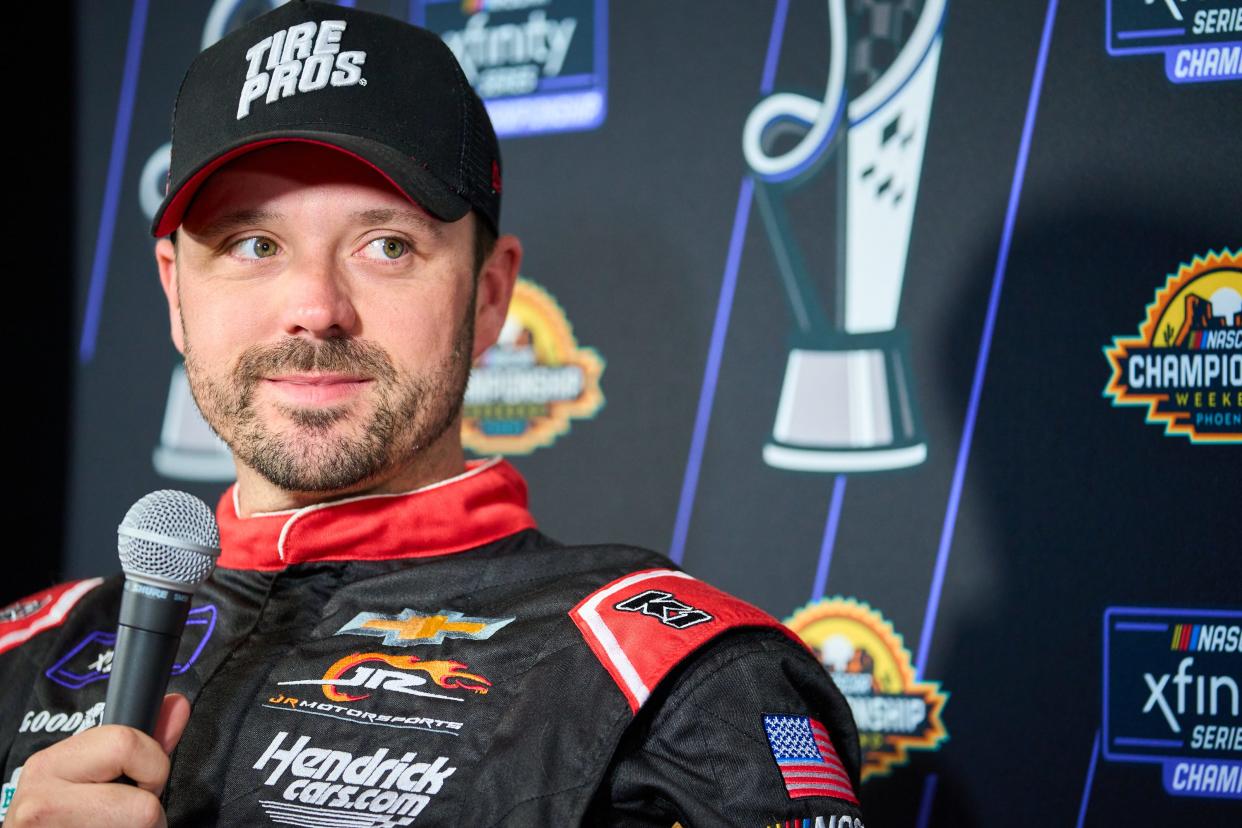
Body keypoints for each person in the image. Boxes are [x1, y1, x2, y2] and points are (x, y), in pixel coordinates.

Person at [0, 3, 866, 826]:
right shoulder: (22, 655)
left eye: (387, 246)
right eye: (252, 245)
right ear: (175, 293)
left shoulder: (677, 681)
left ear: (489, 297)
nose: (315, 307)